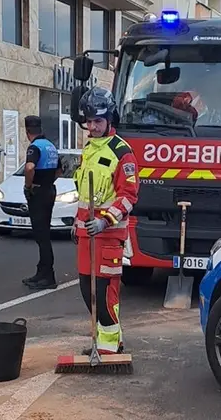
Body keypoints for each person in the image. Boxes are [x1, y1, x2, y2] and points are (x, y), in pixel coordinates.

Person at [72, 87, 139, 355]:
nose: (93, 126)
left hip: (108, 235)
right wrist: (76, 225)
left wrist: (105, 221)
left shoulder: (122, 152)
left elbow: (129, 195)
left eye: (98, 121)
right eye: (89, 122)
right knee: (85, 289)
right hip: (85, 235)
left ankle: (110, 347)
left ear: (110, 119)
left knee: (104, 292)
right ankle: (105, 339)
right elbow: (85, 194)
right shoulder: (89, 149)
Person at [21, 116, 61, 290]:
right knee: (43, 234)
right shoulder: (50, 146)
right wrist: (48, 180)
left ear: (27, 131)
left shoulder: (35, 147)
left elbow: (29, 167)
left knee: (41, 236)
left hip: (38, 192)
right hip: (49, 190)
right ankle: (41, 272)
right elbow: (60, 170)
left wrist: (28, 186)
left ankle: (47, 276)